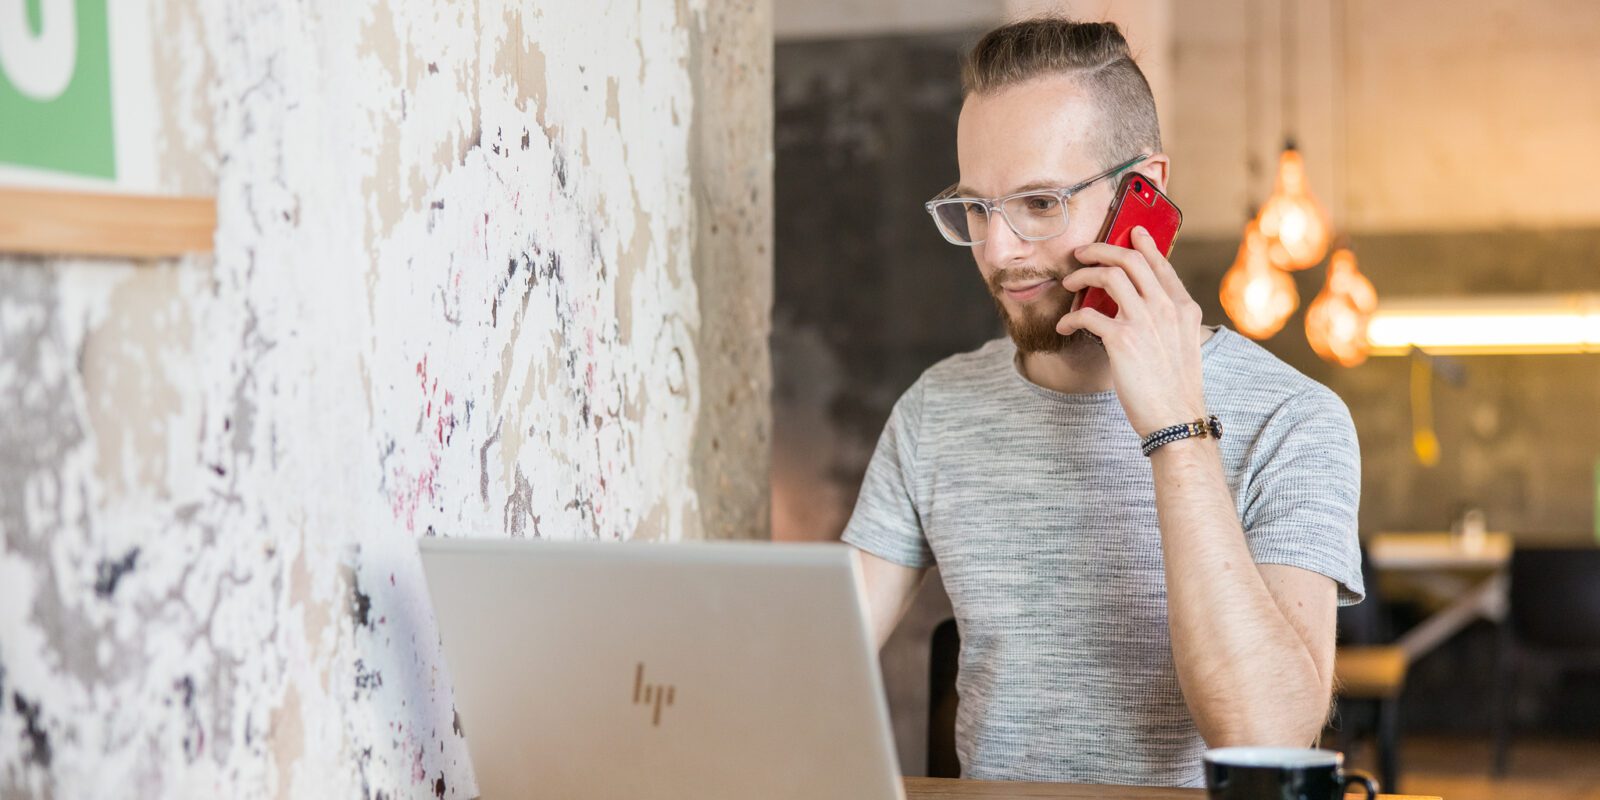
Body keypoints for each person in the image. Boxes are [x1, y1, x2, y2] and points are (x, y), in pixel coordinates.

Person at [842, 17, 1364, 788]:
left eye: (1040, 204)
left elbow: (1268, 736)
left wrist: (1177, 432)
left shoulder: (1295, 421)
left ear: (1142, 191)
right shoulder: (936, 412)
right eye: (977, 209)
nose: (997, 250)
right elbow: (813, 659)